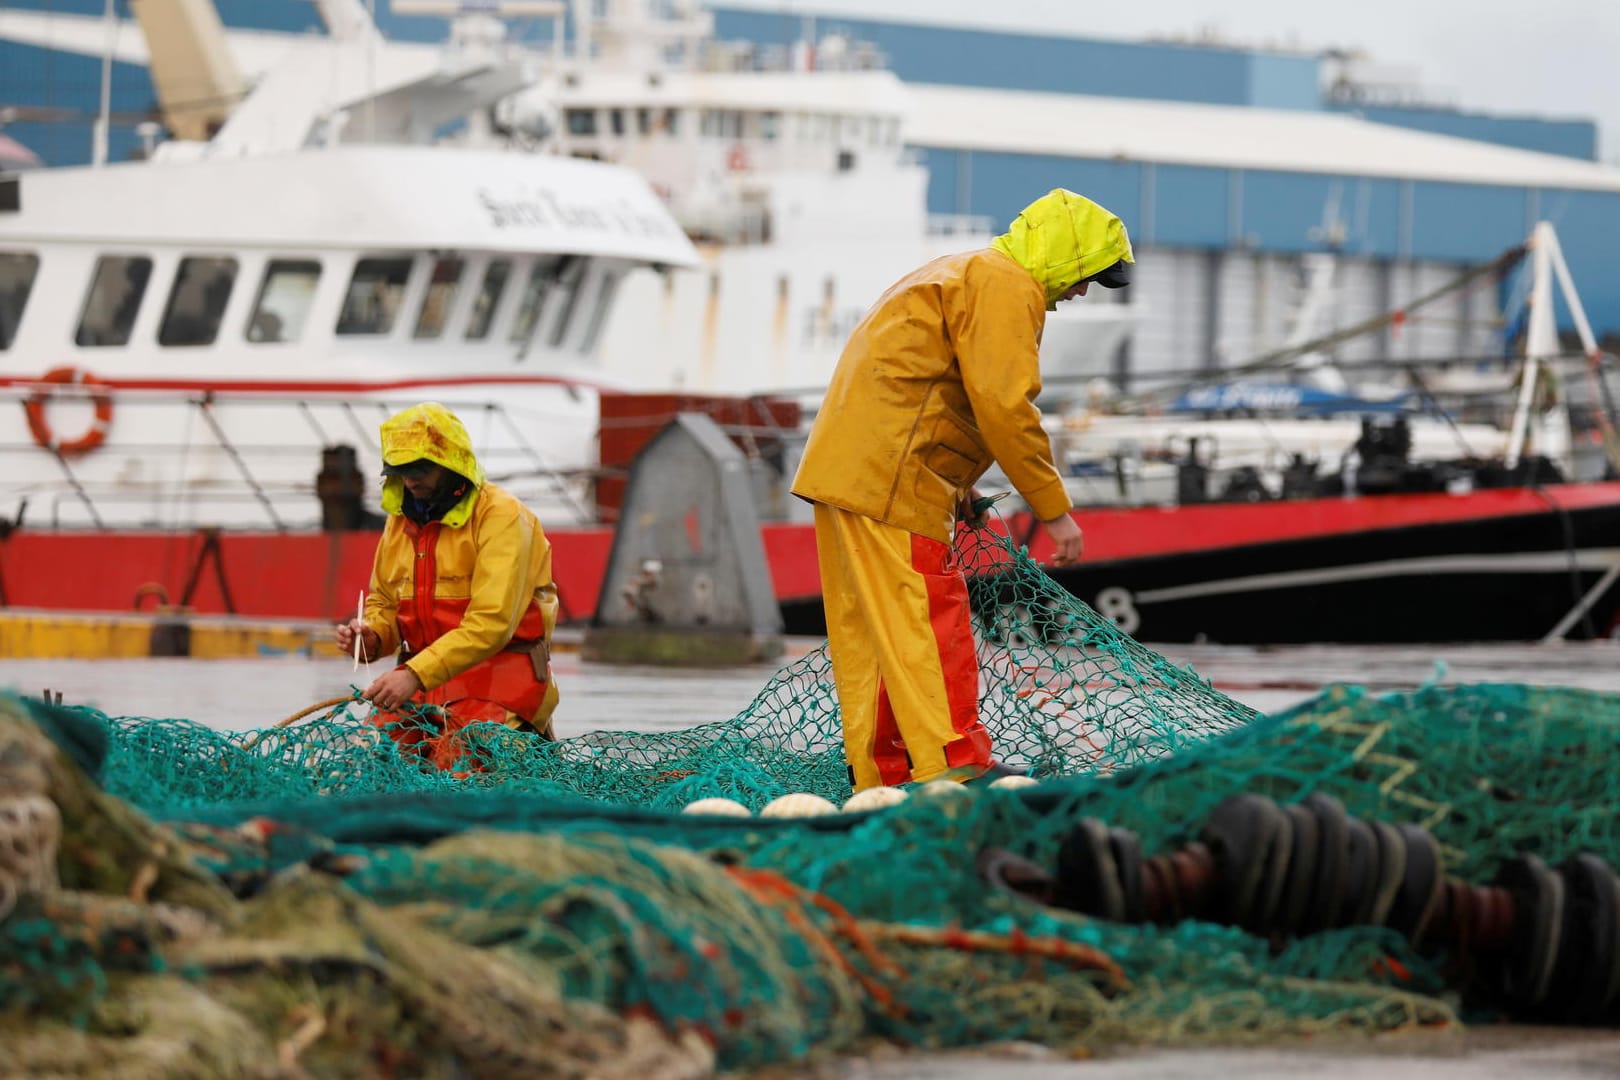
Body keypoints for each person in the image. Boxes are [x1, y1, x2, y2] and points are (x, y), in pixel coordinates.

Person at [791, 188, 1134, 793]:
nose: (1082, 293)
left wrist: (960, 490)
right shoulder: (1005, 284)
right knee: (928, 617)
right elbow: (1004, 407)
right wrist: (1055, 513)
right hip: (893, 482)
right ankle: (955, 763)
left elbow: (929, 391)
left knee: (874, 634)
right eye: (1088, 277)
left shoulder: (962, 271)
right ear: (1063, 254)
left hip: (852, 474)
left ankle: (881, 773)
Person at [334, 402, 561, 771]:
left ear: (452, 463)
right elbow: (385, 604)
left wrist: (413, 674)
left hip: (498, 686)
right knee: (366, 765)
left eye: (420, 469)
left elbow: (492, 623)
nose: (410, 480)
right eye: (400, 470)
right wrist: (371, 637)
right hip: (418, 688)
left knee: (459, 768)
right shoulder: (399, 521)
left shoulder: (501, 516)